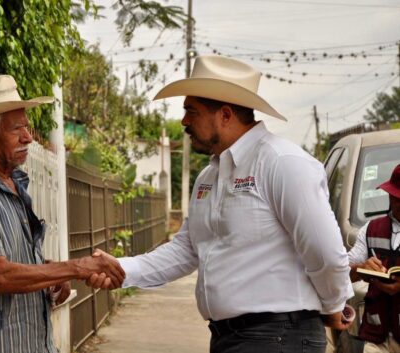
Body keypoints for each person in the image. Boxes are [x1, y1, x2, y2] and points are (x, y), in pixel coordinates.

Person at [89, 55, 354, 353]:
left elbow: (325, 252)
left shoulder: (283, 164)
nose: (184, 121)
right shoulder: (209, 176)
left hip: (280, 337)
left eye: (192, 111)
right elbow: (187, 249)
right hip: (230, 338)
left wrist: (334, 304)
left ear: (225, 115)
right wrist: (122, 269)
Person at [0, 75, 124, 353]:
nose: (28, 137)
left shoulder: (12, 183)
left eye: (27, 126)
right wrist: (76, 267)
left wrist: (53, 277)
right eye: (16, 129)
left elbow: (11, 261)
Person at [349, 164, 400, 353]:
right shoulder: (371, 229)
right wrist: (362, 268)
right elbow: (341, 273)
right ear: (390, 195)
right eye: (396, 197)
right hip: (376, 338)